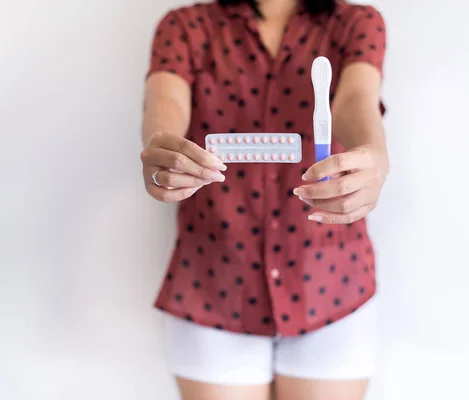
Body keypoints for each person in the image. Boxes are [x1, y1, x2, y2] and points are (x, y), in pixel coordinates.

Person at [140, 0, 388, 398]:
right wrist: (161, 147)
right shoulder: (184, 27)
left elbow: (354, 98)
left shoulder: (356, 23)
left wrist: (375, 153)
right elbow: (164, 102)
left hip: (332, 281)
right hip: (213, 284)